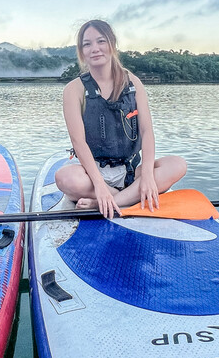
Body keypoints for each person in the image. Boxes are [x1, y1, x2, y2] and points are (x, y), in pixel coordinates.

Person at [54, 19, 187, 218]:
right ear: (81, 52)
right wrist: (98, 184)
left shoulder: (133, 82)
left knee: (177, 165)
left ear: (112, 44)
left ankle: (111, 202)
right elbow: (78, 141)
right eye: (87, 44)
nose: (95, 49)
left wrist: (148, 175)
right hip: (94, 173)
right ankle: (122, 196)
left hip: (130, 170)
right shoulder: (74, 89)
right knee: (65, 178)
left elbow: (146, 131)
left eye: (101, 41)